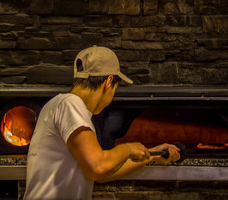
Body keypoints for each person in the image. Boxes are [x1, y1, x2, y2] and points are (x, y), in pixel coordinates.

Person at [23, 46, 180, 200]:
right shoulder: (71, 104)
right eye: (115, 88)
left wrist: (152, 155)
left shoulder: (57, 104)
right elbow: (99, 167)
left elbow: (102, 173)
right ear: (109, 81)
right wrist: (128, 148)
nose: (112, 95)